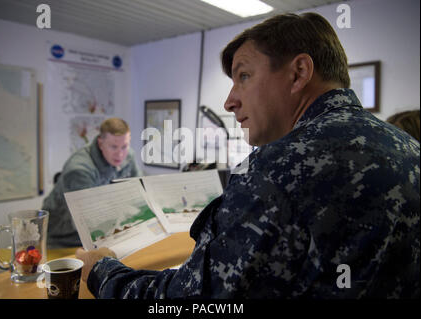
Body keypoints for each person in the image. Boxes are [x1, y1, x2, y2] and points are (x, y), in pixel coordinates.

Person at [76, 13, 420, 298]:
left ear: (298, 73)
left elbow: (190, 303)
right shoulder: (409, 147)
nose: (229, 101)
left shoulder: (275, 169)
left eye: (244, 75)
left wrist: (102, 271)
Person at [43, 118, 142, 248]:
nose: (120, 154)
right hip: (64, 240)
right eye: (113, 147)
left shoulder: (128, 155)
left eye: (125, 146)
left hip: (102, 233)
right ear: (101, 144)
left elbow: (140, 191)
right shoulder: (79, 170)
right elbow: (90, 220)